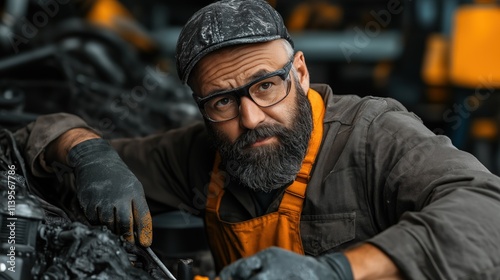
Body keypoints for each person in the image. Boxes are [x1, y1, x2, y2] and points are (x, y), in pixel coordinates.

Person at [13, 0, 500, 279]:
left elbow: (486, 216)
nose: (250, 118)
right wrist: (85, 148)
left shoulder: (373, 136)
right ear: (201, 106)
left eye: (266, 85)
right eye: (222, 101)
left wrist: (333, 273)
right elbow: (25, 142)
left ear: (301, 73)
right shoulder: (201, 154)